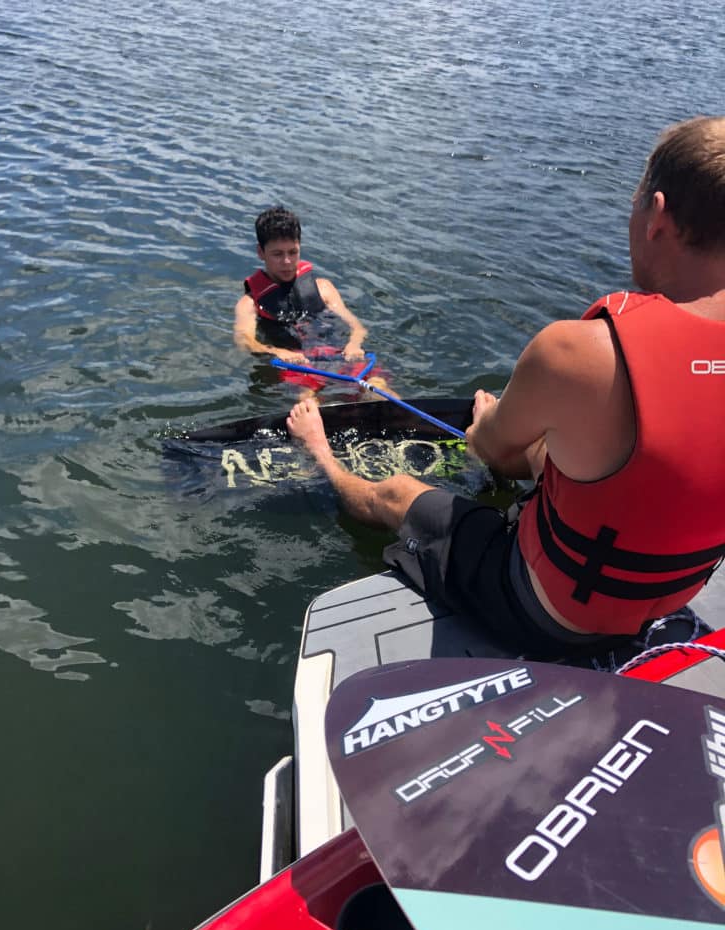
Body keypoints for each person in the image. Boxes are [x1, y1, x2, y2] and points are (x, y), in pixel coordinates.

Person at [286, 116, 725, 657]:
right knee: (555, 451)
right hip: (666, 596)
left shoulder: (578, 351)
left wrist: (492, 420)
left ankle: (320, 454)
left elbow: (486, 447)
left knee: (398, 493)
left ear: (656, 215)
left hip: (552, 614)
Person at [234, 206, 394, 398]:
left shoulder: (324, 288)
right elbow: (244, 341)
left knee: (379, 388)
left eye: (293, 252)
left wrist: (354, 344)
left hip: (339, 354)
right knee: (307, 398)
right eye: (278, 254)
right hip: (298, 363)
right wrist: (277, 352)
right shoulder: (249, 304)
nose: (287, 261)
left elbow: (357, 327)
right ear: (261, 252)